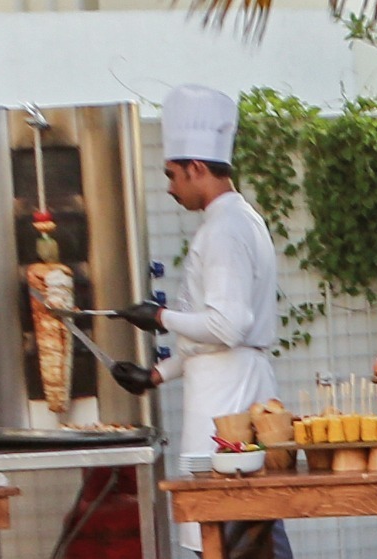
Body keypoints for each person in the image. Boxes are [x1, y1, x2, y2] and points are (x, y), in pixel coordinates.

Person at [107, 84, 291, 559]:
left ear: (196, 168)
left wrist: (161, 316)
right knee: (240, 531)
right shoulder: (231, 221)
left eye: (172, 174)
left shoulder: (226, 229)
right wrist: (155, 375)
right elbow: (210, 338)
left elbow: (227, 325)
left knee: (238, 532)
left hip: (230, 401)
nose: (169, 186)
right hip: (225, 387)